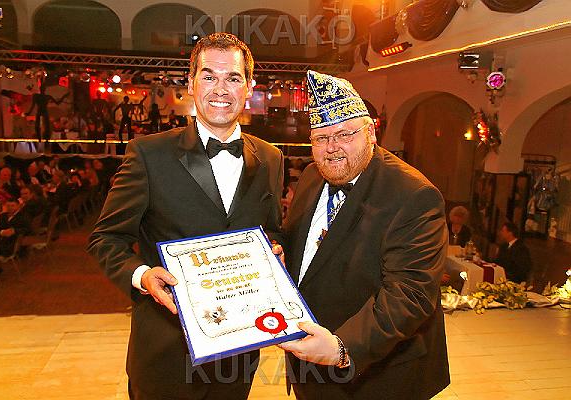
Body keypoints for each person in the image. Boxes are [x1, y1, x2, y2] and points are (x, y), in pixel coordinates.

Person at [88, 32, 284, 400]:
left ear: (248, 87)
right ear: (191, 84)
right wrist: (142, 275)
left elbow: (271, 229)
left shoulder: (271, 158)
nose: (220, 89)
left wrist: (274, 250)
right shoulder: (148, 154)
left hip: (238, 352)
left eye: (233, 78)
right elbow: (106, 239)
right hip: (165, 353)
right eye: (209, 76)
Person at [278, 70, 449, 400]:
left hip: (378, 373)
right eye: (320, 138)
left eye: (344, 134)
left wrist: (342, 348)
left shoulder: (413, 195)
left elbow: (410, 294)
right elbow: (302, 244)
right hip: (310, 362)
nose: (332, 148)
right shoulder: (312, 175)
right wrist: (277, 250)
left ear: (370, 132)